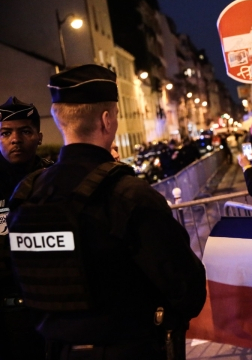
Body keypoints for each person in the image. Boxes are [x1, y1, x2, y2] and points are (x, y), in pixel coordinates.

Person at [7, 65, 206, 360]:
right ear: (107, 120)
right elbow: (187, 290)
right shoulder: (129, 195)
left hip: (54, 351)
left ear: (60, 121)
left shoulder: (27, 193)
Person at [0, 97, 49, 359]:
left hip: (52, 305)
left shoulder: (54, 179)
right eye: (6, 133)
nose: (15, 139)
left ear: (39, 137)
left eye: (25, 131)